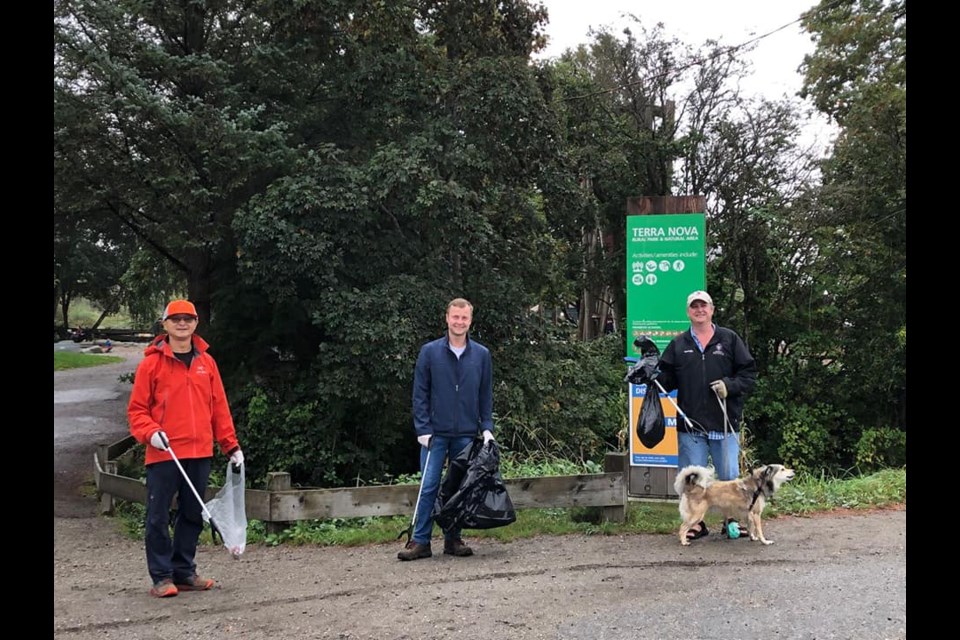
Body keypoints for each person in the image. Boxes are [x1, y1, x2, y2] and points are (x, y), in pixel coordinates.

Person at [127, 299, 244, 597]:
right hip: (164, 454)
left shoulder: (207, 363)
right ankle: (161, 577)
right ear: (164, 324)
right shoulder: (151, 363)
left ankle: (184, 572)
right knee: (157, 516)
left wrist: (230, 445)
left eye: (187, 319)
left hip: (200, 452)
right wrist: (151, 433)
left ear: (195, 324)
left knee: (192, 514)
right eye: (175, 319)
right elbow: (137, 411)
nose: (182, 323)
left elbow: (219, 408)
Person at [398, 298, 495, 561]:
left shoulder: (482, 355)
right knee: (429, 486)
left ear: (470, 321)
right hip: (435, 435)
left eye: (464, 318)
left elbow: (485, 395)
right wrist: (422, 428)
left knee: (458, 489)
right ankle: (420, 541)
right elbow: (420, 393)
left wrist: (486, 427)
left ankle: (453, 539)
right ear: (447, 318)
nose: (459, 322)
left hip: (465, 432)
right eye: (455, 317)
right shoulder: (429, 352)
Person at [655, 290, 757, 541]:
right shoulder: (679, 344)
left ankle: (731, 522)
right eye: (694, 307)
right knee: (693, 482)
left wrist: (729, 386)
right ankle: (695, 524)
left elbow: (748, 375)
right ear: (688, 312)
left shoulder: (729, 339)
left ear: (712, 309)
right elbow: (665, 380)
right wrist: (650, 373)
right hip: (691, 425)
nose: (699, 310)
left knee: (730, 478)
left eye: (704, 306)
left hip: (724, 423)